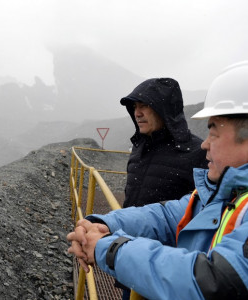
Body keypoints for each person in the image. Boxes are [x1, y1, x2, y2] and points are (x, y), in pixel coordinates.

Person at [67, 61, 248, 300]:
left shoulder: (198, 159)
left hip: (160, 277)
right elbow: (165, 215)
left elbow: (214, 282)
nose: (206, 144)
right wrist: (102, 223)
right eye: (135, 107)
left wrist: (107, 247)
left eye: (213, 133)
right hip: (143, 269)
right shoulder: (225, 193)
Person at [120, 78, 208, 208]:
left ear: (164, 110)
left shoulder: (198, 153)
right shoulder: (139, 147)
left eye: (144, 105)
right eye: (134, 107)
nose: (137, 113)